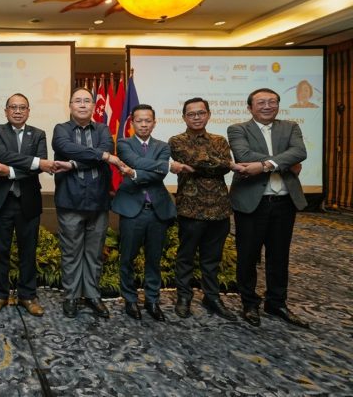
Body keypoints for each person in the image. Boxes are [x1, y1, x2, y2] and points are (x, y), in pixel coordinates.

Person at [228, 88, 309, 328]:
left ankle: (276, 302)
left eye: (272, 102)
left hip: (284, 202)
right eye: (261, 102)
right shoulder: (238, 129)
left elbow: (300, 152)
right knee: (247, 255)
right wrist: (285, 160)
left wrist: (265, 164)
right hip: (252, 203)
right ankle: (249, 303)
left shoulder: (291, 127)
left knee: (279, 255)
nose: (267, 106)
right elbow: (243, 154)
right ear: (250, 107)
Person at [168, 97, 241, 321]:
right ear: (184, 117)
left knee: (212, 258)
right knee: (186, 257)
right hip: (191, 209)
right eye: (191, 114)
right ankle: (184, 297)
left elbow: (224, 167)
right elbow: (195, 161)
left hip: (219, 209)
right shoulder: (176, 141)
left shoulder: (220, 140)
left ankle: (212, 297)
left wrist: (218, 163)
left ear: (208, 115)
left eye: (201, 113)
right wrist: (219, 162)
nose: (197, 117)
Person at [51, 87, 121, 319]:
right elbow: (66, 148)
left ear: (93, 106)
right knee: (71, 253)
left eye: (87, 101)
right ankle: (71, 296)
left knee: (94, 253)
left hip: (98, 201)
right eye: (77, 101)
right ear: (70, 105)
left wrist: (74, 163)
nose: (82, 105)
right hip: (70, 200)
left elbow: (106, 150)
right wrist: (100, 156)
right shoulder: (61, 129)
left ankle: (92, 295)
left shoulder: (103, 129)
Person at [0, 93, 56, 317]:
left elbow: (38, 168)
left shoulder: (39, 134)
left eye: (22, 107)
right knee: (0, 250)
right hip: (1, 202)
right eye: (13, 107)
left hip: (28, 201)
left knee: (28, 251)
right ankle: (0, 295)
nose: (17, 111)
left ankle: (27, 296)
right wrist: (35, 163)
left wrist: (10, 171)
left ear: (28, 111)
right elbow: (2, 155)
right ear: (6, 111)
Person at [112, 104, 176, 322]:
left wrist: (135, 173)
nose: (144, 124)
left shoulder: (163, 146)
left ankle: (152, 300)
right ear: (132, 123)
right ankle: (130, 299)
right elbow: (135, 161)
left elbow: (160, 174)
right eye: (139, 121)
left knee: (154, 259)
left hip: (157, 211)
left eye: (148, 120)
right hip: (132, 210)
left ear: (154, 123)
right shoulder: (123, 144)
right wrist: (159, 166)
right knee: (128, 258)